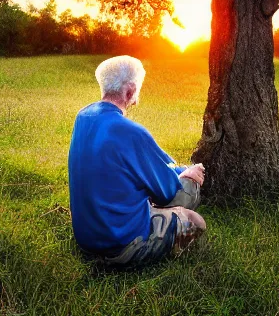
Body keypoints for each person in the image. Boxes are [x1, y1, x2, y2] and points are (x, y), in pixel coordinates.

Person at [68, 55, 206, 267]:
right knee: (195, 219)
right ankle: (163, 226)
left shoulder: (83, 116)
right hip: (120, 246)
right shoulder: (131, 132)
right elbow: (168, 192)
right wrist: (189, 173)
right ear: (130, 91)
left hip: (86, 240)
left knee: (160, 182)